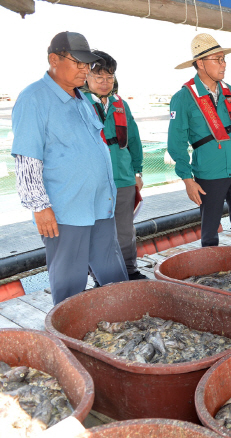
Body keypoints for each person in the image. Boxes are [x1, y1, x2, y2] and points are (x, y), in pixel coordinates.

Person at [12, 32, 128, 305]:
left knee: (114, 276)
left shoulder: (82, 99)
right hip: (66, 211)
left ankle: (123, 326)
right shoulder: (33, 98)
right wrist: (39, 206)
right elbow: (28, 159)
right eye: (78, 62)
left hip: (100, 205)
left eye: (87, 64)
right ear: (54, 59)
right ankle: (68, 339)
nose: (85, 69)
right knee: (69, 284)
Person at [168, 34, 231, 248]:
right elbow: (176, 143)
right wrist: (187, 180)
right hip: (209, 173)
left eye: (224, 59)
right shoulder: (183, 97)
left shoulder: (230, 91)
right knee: (209, 232)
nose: (223, 64)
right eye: (217, 59)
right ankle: (209, 277)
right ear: (200, 63)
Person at [81, 50, 147, 282]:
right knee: (96, 232)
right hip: (94, 182)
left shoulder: (121, 105)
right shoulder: (78, 103)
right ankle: (100, 278)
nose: (104, 82)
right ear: (86, 76)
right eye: (98, 77)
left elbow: (135, 140)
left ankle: (130, 271)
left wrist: (138, 170)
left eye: (109, 77)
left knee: (126, 231)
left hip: (124, 179)